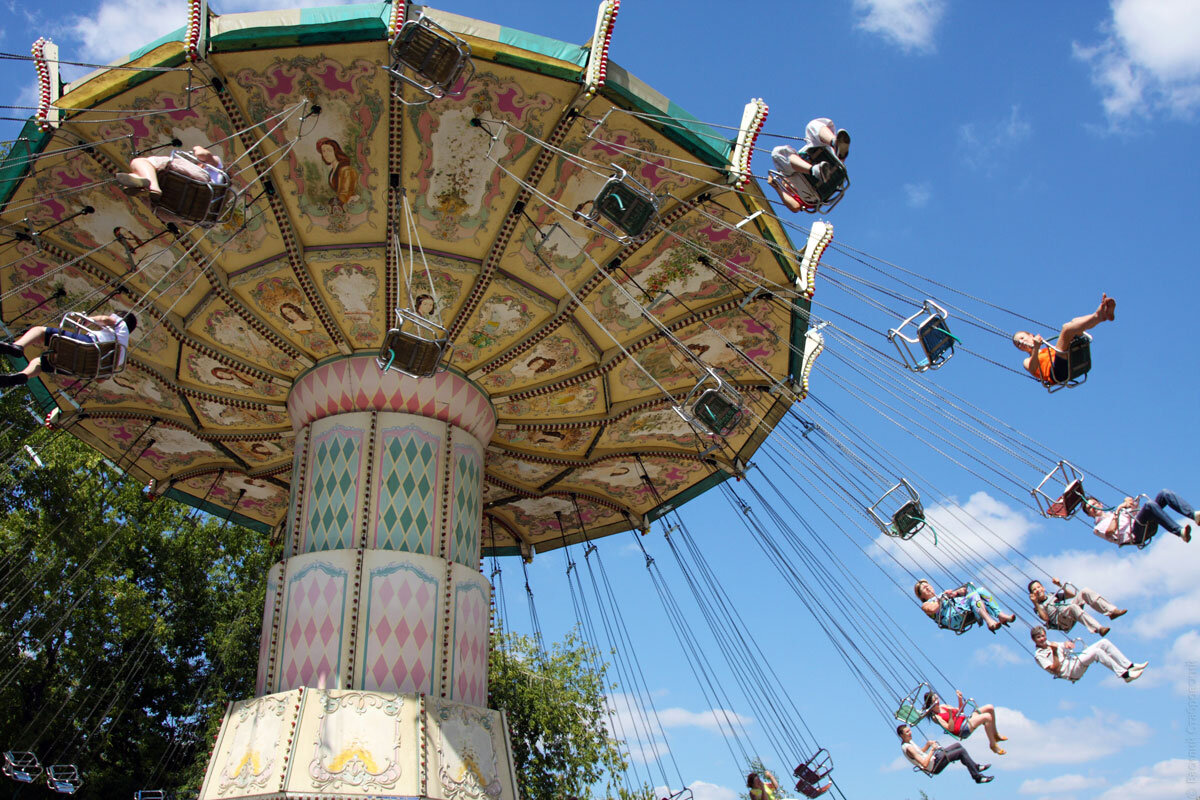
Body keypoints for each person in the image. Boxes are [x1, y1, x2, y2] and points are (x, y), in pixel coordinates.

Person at [0, 311, 137, 387]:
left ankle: (18, 346)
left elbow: (106, 319)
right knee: (40, 363)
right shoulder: (121, 356)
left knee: (40, 331)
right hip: (82, 368)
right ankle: (24, 376)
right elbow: (100, 380)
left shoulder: (121, 325)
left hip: (89, 345)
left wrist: (88, 320)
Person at [1012, 294, 1114, 385]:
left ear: (1031, 335)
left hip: (1067, 360)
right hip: (1056, 372)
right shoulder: (1027, 360)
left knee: (1074, 322)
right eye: (1018, 344)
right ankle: (1098, 315)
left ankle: (1101, 315)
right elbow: (1033, 368)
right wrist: (1035, 348)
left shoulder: (1048, 349)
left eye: (1022, 338)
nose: (1021, 342)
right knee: (1066, 329)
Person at [767, 118, 850, 213]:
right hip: (811, 191)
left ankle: (835, 143)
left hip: (830, 165)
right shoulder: (797, 194)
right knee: (777, 153)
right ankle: (816, 171)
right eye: (783, 182)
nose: (785, 183)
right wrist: (777, 187)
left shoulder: (791, 173)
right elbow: (795, 207)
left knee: (812, 125)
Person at [1030, 626, 1147, 683]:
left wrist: (1067, 644)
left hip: (1074, 662)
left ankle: (1129, 666)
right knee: (1097, 652)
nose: (1042, 639)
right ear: (1034, 640)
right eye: (1038, 637)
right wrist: (1055, 653)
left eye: (1043, 636)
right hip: (1070, 671)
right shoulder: (1039, 655)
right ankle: (1125, 675)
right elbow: (1055, 670)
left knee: (1103, 643)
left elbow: (1063, 645)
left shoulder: (1052, 643)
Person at [1082, 491, 1196, 546]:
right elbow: (1110, 531)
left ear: (1100, 504)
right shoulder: (1098, 527)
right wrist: (1119, 509)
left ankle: (1194, 515)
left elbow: (1135, 508)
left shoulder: (1114, 514)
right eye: (1089, 509)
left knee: (1164, 494)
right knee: (1149, 505)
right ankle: (1180, 532)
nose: (1093, 508)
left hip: (1142, 523)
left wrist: (1129, 501)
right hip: (1136, 534)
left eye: (1094, 504)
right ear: (1089, 515)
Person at [115, 145, 226, 198]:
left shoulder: (217, 168)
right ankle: (143, 183)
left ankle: (153, 187)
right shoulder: (218, 190)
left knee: (139, 162)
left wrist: (197, 148)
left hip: (195, 180)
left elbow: (202, 155)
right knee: (137, 175)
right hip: (184, 198)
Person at [896, 724, 993, 784]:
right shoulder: (908, 748)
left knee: (957, 745)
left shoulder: (909, 742)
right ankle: (977, 777)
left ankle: (975, 767)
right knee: (961, 752)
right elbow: (924, 764)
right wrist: (932, 750)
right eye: (907, 732)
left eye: (909, 730)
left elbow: (920, 753)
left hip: (934, 759)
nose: (910, 733)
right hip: (934, 766)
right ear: (901, 735)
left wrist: (928, 745)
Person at [922, 689, 1008, 755]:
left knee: (990, 707)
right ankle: (993, 745)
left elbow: (960, 711)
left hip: (965, 720)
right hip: (962, 729)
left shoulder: (943, 706)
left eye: (937, 699)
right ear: (931, 704)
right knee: (987, 717)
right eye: (935, 700)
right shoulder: (935, 717)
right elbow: (950, 728)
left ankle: (995, 735)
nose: (938, 702)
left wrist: (959, 699)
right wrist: (951, 715)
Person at [1028, 578, 1125, 635]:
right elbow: (1045, 618)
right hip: (1062, 621)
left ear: (1043, 588)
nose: (1038, 590)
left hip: (1069, 612)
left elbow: (1071, 595)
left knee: (1084, 591)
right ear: (1033, 594)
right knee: (1072, 607)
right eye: (1034, 589)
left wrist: (1060, 585)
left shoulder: (1052, 595)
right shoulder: (1037, 606)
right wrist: (1035, 602)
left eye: (1039, 587)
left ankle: (1112, 612)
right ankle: (1099, 629)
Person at [914, 579, 1015, 633]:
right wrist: (943, 598)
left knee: (981, 591)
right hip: (953, 617)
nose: (926, 587)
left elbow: (960, 593)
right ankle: (989, 621)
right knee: (973, 596)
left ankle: (1001, 615)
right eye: (923, 588)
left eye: (927, 585)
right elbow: (932, 609)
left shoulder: (942, 594)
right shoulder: (926, 604)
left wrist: (957, 592)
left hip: (963, 607)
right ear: (921, 596)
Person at [748, 768, 828, 800]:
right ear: (752, 784)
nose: (760, 783)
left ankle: (816, 790)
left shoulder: (764, 785)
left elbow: (775, 786)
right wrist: (762, 789)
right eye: (757, 782)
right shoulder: (753, 792)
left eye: (759, 781)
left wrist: (771, 776)